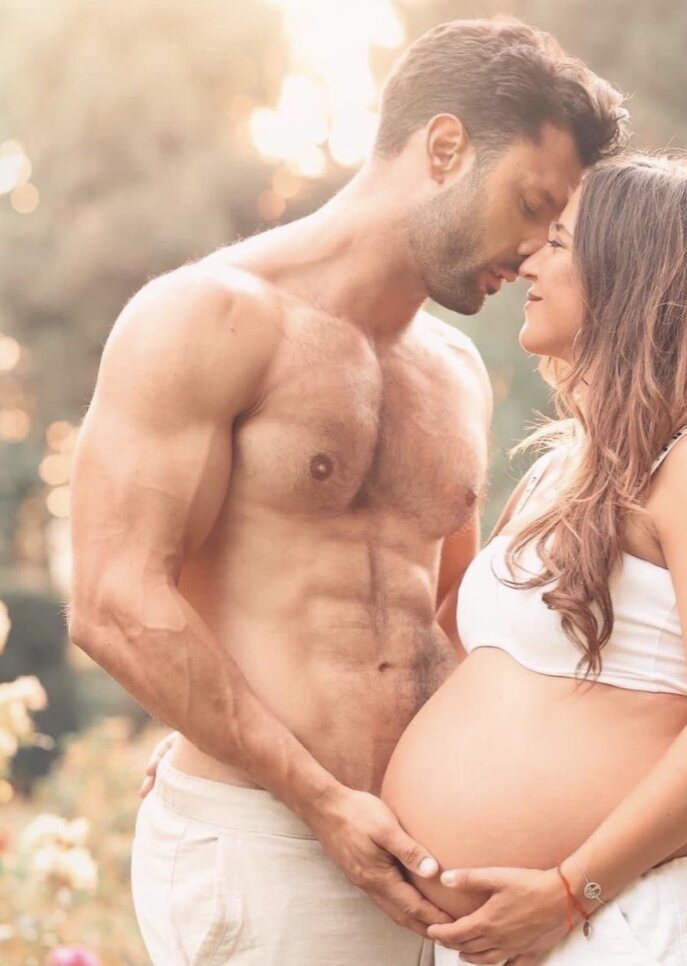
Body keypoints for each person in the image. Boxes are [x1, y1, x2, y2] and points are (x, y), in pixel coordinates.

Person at [67, 18, 626, 966]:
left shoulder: (456, 372)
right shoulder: (208, 315)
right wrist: (322, 801)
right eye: (533, 205)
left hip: (426, 859)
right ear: (444, 147)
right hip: (268, 837)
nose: (538, 252)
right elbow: (114, 602)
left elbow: (455, 619)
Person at [378, 154, 687, 964]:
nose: (530, 260)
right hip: (513, 938)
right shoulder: (552, 470)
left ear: (629, 273)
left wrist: (572, 890)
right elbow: (446, 663)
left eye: (560, 242)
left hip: (638, 921)